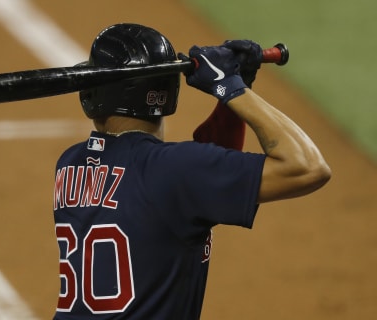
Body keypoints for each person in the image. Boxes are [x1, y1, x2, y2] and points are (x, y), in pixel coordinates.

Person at [52, 23, 331, 320]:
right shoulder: (176, 171)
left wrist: (234, 95)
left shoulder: (70, 163)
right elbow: (308, 167)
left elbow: (201, 183)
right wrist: (232, 88)